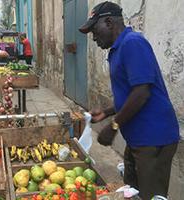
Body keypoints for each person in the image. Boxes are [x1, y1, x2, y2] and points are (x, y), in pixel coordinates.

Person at [79, 1, 179, 199]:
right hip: (138, 138)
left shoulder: (132, 43)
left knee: (151, 195)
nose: (94, 37)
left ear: (109, 22)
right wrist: (107, 112)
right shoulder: (117, 49)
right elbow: (130, 93)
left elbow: (142, 92)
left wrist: (113, 126)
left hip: (153, 137)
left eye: (94, 30)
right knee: (131, 191)